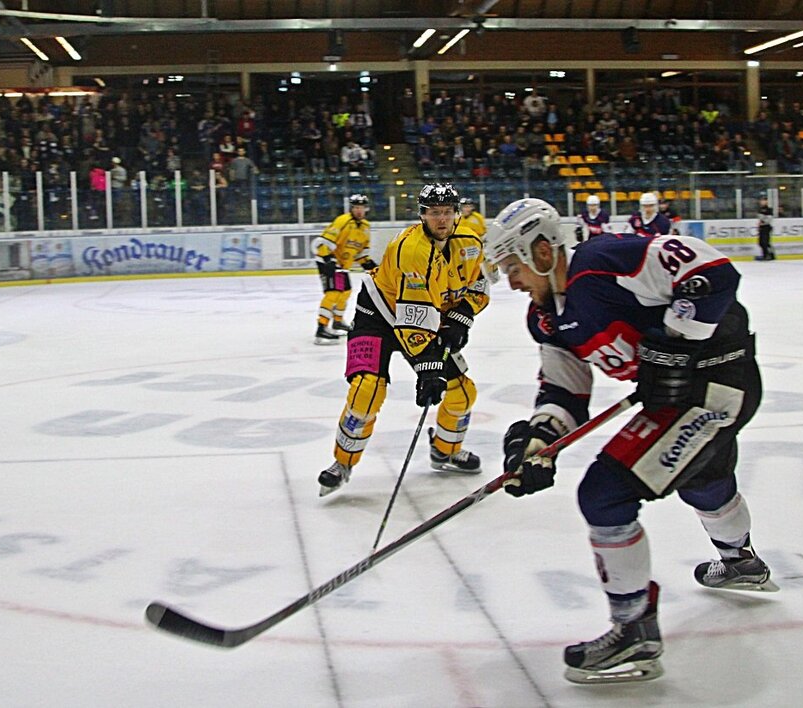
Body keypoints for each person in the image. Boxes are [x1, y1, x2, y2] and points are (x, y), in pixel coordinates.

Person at [485, 198, 774, 684]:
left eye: (513, 266)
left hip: (715, 385)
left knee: (604, 494)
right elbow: (564, 390)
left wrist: (677, 342)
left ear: (540, 249)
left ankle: (633, 630)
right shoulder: (548, 318)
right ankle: (740, 561)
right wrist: (538, 441)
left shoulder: (601, 264)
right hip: (688, 397)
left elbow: (714, 274)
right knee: (703, 479)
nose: (511, 281)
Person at [317, 183, 489, 496]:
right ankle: (342, 463)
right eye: (434, 213)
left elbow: (479, 285)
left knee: (462, 392)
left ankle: (445, 450)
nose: (442, 220)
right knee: (367, 390)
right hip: (377, 316)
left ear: (456, 214)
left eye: (447, 212)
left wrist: (462, 315)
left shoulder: (470, 242)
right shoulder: (413, 250)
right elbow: (413, 322)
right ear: (422, 215)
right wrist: (429, 368)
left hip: (422, 316)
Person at [311, 193, 376, 344]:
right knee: (333, 293)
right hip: (328, 261)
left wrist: (371, 266)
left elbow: (361, 253)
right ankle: (321, 329)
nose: (359, 210)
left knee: (345, 292)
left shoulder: (366, 227)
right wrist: (328, 260)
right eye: (356, 207)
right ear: (351, 208)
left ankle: (337, 321)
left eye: (361, 207)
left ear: (366, 209)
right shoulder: (343, 221)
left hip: (342, 266)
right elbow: (325, 242)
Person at [756, 195, 776, 261]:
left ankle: (768, 255)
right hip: (762, 227)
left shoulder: (768, 210)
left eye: (763, 200)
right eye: (761, 200)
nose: (762, 202)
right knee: (761, 242)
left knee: (765, 242)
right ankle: (766, 254)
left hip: (766, 227)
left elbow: (769, 219)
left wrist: (763, 222)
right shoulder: (760, 209)